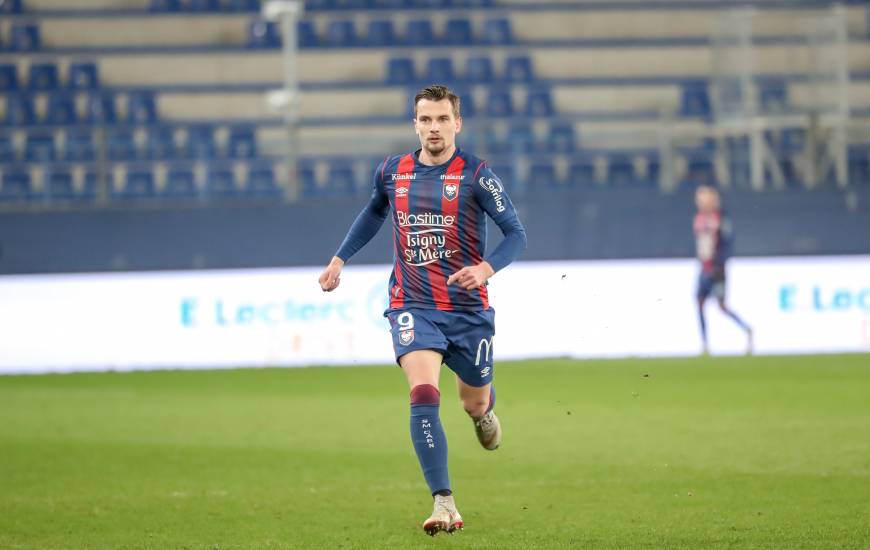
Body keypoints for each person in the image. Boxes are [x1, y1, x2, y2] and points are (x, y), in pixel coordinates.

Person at [318, 85, 526, 536]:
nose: (434, 128)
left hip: (469, 311)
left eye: (442, 120)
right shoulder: (393, 171)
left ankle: (484, 411)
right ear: (415, 123)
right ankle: (443, 501)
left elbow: (516, 233)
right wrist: (340, 259)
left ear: (458, 123)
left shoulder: (477, 175)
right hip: (412, 304)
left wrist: (486, 268)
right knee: (423, 393)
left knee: (472, 401)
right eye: (425, 120)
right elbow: (374, 212)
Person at [693, 184, 753, 355]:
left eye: (703, 198)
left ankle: (746, 329)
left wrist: (720, 264)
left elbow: (727, 243)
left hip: (717, 269)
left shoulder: (721, 218)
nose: (700, 202)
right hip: (704, 269)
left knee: (722, 306)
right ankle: (705, 344)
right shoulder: (699, 218)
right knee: (699, 303)